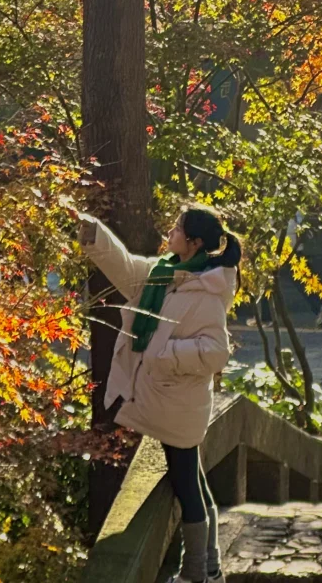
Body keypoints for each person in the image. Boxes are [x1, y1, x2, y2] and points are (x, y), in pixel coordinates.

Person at [78, 206, 242, 583]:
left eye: (178, 228)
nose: (171, 231)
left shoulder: (207, 291)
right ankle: (211, 565)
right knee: (194, 481)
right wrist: (95, 234)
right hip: (172, 403)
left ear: (194, 242)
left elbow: (216, 351)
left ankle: (196, 573)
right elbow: (128, 268)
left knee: (186, 485)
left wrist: (164, 356)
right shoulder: (168, 274)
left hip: (178, 404)